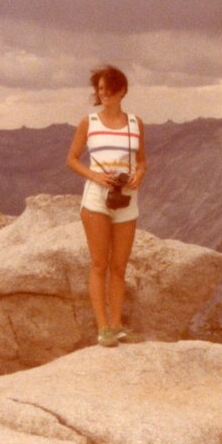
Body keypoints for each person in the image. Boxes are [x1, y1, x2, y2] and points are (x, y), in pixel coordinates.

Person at [66, 65, 146, 347]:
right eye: (100, 89)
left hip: (126, 199)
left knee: (120, 267)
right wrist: (95, 176)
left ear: (122, 91)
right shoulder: (89, 122)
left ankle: (117, 325)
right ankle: (103, 329)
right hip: (97, 199)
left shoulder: (135, 124)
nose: (104, 95)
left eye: (109, 90)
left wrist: (138, 174)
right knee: (100, 264)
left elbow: (142, 160)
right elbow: (72, 159)